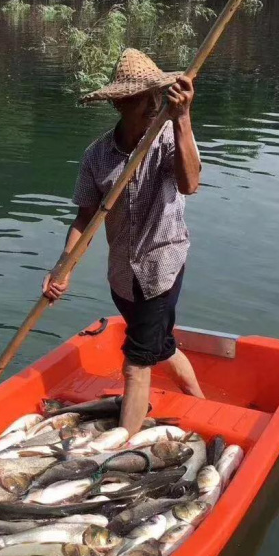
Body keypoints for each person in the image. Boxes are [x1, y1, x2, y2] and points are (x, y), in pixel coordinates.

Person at [42, 48, 204, 438]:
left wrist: (183, 119)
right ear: (118, 102)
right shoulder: (97, 156)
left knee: (136, 363)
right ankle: (200, 400)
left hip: (161, 266)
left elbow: (190, 183)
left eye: (155, 95)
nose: (152, 104)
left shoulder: (168, 138)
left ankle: (119, 451)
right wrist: (63, 268)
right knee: (159, 345)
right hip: (122, 273)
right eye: (139, 97)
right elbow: (84, 217)